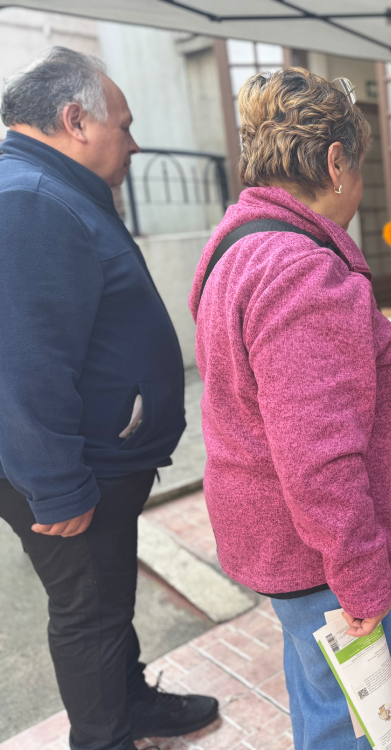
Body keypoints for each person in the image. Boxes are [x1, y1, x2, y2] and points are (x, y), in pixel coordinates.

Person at [188, 68, 391, 749]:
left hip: (287, 539)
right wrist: (362, 578)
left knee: (321, 701)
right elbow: (317, 453)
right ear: (335, 163)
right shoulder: (301, 271)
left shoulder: (241, 245)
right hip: (326, 552)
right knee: (356, 724)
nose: (359, 187)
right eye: (359, 169)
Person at [0, 48, 218, 749]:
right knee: (89, 611)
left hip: (98, 458)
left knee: (107, 595)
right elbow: (21, 363)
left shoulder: (51, 188)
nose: (133, 142)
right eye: (123, 125)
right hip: (74, 468)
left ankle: (132, 703)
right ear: (76, 121)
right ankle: (105, 737)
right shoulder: (30, 199)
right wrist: (57, 487)